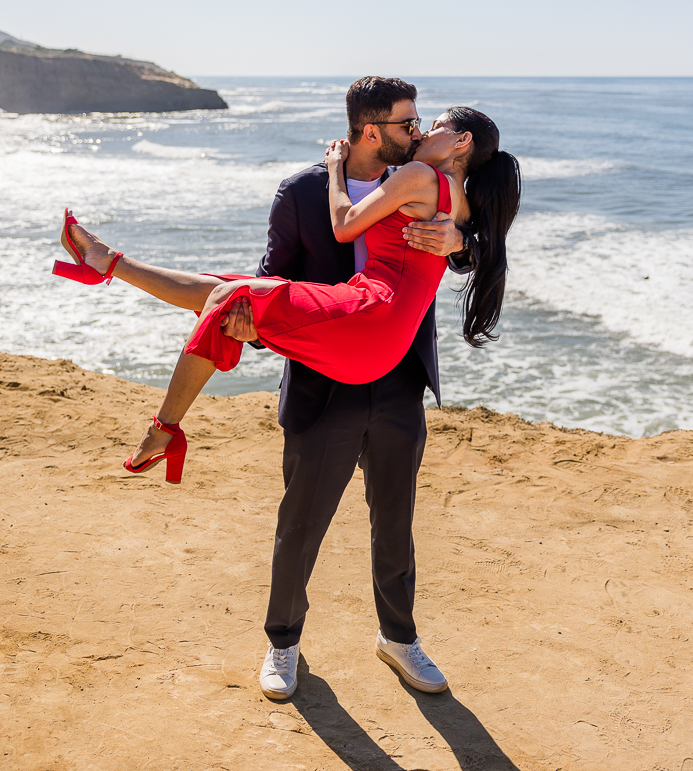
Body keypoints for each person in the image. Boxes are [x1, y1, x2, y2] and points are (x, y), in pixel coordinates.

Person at [54, 77, 520, 699]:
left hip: (397, 376)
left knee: (396, 522)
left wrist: (465, 239)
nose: (417, 131)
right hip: (327, 375)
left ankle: (399, 638)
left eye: (424, 124)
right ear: (372, 130)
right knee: (299, 521)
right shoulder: (302, 190)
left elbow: (467, 235)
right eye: (409, 124)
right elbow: (275, 274)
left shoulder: (423, 181)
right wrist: (251, 328)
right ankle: (283, 643)